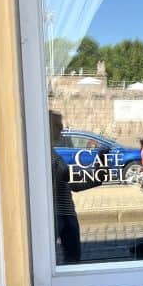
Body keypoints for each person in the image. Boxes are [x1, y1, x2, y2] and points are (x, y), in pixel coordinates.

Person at [49, 110, 107, 264]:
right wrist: (98, 168)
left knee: (71, 261)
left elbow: (74, 183)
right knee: (67, 261)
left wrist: (99, 170)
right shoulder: (45, 155)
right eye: (57, 125)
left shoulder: (52, 153)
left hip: (65, 213)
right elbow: (71, 179)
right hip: (56, 215)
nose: (61, 129)